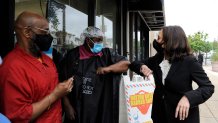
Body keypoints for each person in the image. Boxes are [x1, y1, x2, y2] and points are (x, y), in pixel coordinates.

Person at [129, 26, 214, 123]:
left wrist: (188, 98)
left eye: (159, 38)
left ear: (169, 41)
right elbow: (133, 64)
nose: (156, 40)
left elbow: (208, 87)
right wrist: (142, 67)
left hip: (182, 117)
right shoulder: (158, 59)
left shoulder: (189, 61)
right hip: (159, 116)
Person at [0, 11, 74, 123]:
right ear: (27, 32)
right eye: (45, 31)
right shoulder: (12, 67)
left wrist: (63, 90)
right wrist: (55, 95)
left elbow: (53, 86)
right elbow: (19, 115)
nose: (49, 36)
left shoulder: (47, 60)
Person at [58, 26, 130, 123]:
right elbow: (61, 81)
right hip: (78, 109)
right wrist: (67, 105)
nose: (100, 43)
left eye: (101, 40)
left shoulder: (106, 54)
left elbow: (126, 64)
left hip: (100, 108)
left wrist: (107, 69)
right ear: (88, 40)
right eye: (98, 40)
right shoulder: (73, 56)